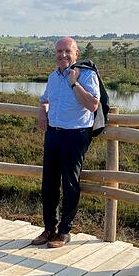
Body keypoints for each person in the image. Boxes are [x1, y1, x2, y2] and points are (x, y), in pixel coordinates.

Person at [31, 37, 100, 248]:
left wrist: (74, 83)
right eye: (59, 51)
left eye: (67, 51)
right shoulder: (53, 77)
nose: (63, 55)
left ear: (76, 54)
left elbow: (93, 105)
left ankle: (64, 231)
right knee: (49, 183)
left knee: (70, 183)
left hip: (75, 135)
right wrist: (43, 112)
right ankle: (49, 228)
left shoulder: (87, 74)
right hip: (53, 133)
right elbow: (45, 99)